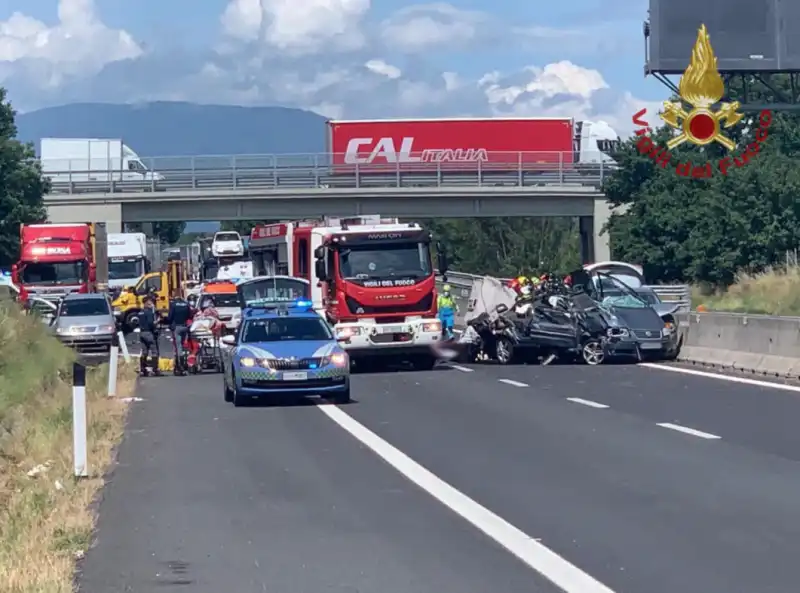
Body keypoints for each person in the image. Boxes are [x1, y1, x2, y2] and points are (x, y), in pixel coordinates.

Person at [166, 295, 193, 375]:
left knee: (178, 347)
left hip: (177, 327)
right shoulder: (186, 304)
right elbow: (189, 315)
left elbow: (170, 317)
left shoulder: (173, 305)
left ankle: (180, 366)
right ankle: (184, 364)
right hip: (184, 326)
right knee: (182, 344)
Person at [137, 296, 161, 376]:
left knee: (144, 352)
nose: (152, 305)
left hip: (142, 333)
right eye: (151, 303)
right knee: (154, 351)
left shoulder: (140, 312)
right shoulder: (149, 312)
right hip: (149, 333)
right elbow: (151, 323)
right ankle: (155, 369)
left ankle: (142, 369)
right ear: (148, 304)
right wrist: (157, 321)